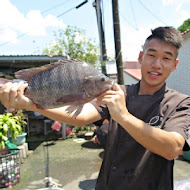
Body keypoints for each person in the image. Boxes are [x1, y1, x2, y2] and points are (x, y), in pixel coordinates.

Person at [0, 26, 190, 190]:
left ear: (175, 65)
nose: (157, 64)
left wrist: (123, 115)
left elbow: (172, 148)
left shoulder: (180, 102)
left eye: (166, 58)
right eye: (151, 55)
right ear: (141, 57)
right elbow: (81, 115)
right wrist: (29, 103)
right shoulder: (118, 92)